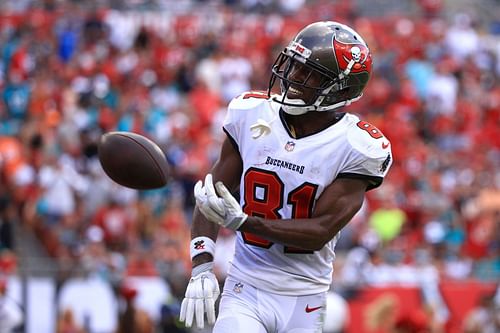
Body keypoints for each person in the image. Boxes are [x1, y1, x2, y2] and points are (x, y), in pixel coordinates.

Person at [179, 21, 393, 332]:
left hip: (305, 298)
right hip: (245, 289)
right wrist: (201, 267)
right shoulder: (250, 113)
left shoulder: (356, 145)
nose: (292, 77)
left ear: (340, 89)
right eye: (294, 65)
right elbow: (212, 194)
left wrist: (246, 223)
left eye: (309, 74)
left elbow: (319, 230)